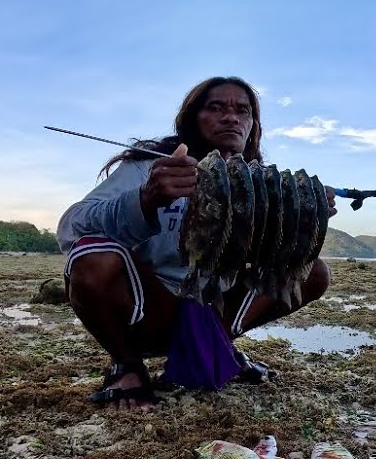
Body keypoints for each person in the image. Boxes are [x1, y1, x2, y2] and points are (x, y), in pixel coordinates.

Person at [56, 76, 335, 411]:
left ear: (252, 125)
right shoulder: (149, 166)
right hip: (149, 309)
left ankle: (219, 345)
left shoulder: (263, 183)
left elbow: (271, 258)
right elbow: (70, 228)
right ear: (192, 118)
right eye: (216, 107)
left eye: (242, 111)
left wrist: (304, 215)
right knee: (91, 257)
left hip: (216, 310)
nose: (231, 117)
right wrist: (145, 199)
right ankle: (127, 366)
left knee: (313, 272)